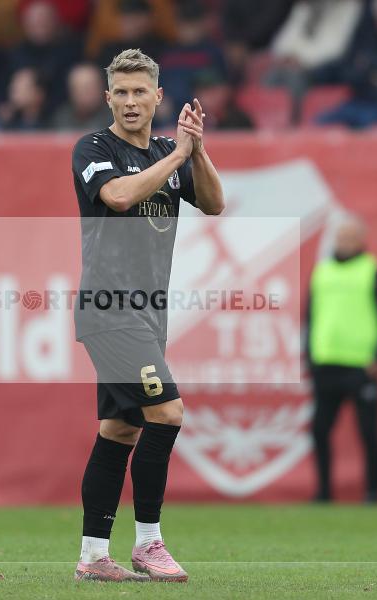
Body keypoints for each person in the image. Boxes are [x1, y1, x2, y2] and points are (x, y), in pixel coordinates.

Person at [71, 48, 224, 582]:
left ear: (159, 96)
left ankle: (92, 558)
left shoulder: (171, 150)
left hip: (147, 315)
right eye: (122, 92)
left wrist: (196, 149)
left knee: (119, 430)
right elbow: (116, 196)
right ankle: (149, 544)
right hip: (108, 308)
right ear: (107, 97)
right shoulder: (95, 148)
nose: (131, 101)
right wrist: (177, 157)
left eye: (142, 92)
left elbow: (214, 203)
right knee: (168, 413)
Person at [306, 218, 377, 504]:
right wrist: (309, 356)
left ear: (361, 240)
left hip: (361, 366)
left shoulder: (373, 272)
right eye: (340, 237)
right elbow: (310, 318)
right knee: (320, 430)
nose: (343, 243)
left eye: (349, 238)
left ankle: (372, 492)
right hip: (326, 364)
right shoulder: (322, 272)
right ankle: (323, 493)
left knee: (368, 432)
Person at [312, 0, 377, 129]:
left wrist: (367, 66)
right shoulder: (368, 40)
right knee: (321, 123)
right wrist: (372, 73)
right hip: (358, 102)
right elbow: (351, 71)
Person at [50, 63, 112, 131]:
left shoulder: (115, 119)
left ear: (101, 88)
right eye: (78, 88)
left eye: (88, 87)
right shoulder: (61, 119)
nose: (83, 93)